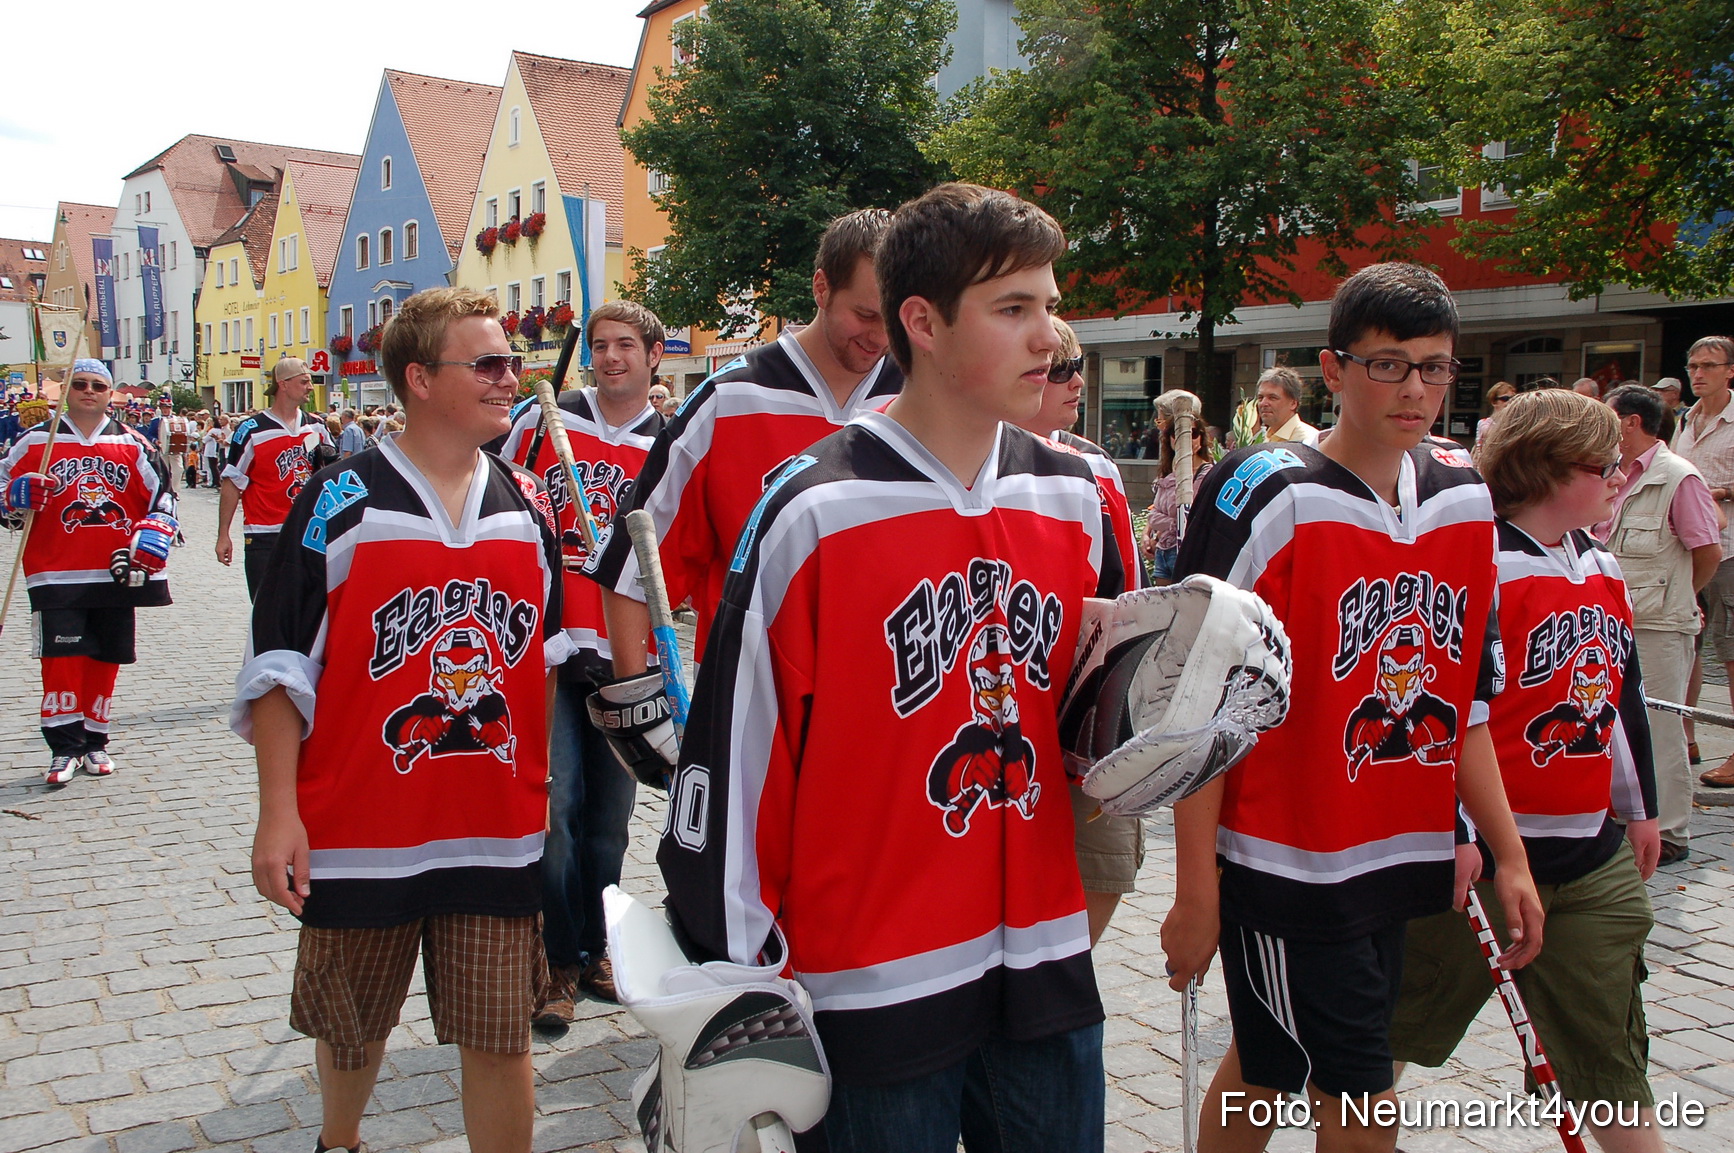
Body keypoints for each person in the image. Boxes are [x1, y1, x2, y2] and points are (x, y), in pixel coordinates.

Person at [658, 182, 1113, 1151]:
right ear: (924, 323)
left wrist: (1171, 714)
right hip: (870, 986)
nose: (1050, 337)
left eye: (1050, 304)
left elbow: (1090, 724)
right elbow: (739, 761)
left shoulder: (1078, 495)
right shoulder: (813, 509)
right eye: (1014, 308)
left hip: (1044, 963)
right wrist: (736, 981)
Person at [1164, 263, 1544, 1152]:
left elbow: (1465, 697)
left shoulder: (1463, 492)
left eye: (1434, 367)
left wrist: (1509, 852)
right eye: (1388, 364)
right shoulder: (1267, 490)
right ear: (1333, 370)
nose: (1415, 388)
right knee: (1365, 1097)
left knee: (1267, 1065)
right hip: (1287, 860)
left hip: (1398, 854)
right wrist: (1195, 892)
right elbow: (1197, 704)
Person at [236, 287, 567, 1153]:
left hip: (494, 832)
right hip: (360, 828)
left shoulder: (529, 503)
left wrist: (541, 787)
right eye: (487, 363)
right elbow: (279, 669)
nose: (510, 378)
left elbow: (543, 662)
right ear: (419, 379)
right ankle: (339, 1140)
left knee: (501, 1034)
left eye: (512, 361)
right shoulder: (339, 499)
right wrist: (279, 812)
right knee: (351, 1028)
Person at [1391, 388, 1663, 1152]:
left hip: (1587, 857)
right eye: (1605, 466)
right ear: (1548, 469)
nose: (1620, 477)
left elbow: (1621, 695)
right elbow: (1445, 712)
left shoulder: (1602, 564)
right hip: (1477, 862)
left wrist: (1640, 807)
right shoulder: (1482, 562)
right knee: (1391, 1031)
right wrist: (1457, 828)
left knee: (1610, 1058)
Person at [587, 209, 903, 767]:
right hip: (750, 715)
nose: (879, 337)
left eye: (895, 317)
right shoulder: (728, 399)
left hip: (891, 710)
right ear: (821, 287)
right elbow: (636, 560)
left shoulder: (922, 397)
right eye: (865, 314)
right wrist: (638, 699)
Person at [499, 300, 666, 1021]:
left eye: (626, 344)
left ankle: (601, 944)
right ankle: (559, 958)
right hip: (549, 644)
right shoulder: (547, 419)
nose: (611, 357)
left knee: (609, 819)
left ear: (654, 355)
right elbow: (500, 500)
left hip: (627, 654)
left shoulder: (671, 441)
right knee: (556, 809)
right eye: (600, 345)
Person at [1004, 316, 1141, 947]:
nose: (1076, 383)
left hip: (1086, 715)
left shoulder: (1094, 467)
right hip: (1009, 715)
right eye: (1060, 370)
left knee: (1103, 865)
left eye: (1077, 368)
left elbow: (1126, 591)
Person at [1, 359, 178, 785]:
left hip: (114, 571)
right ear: (64, 391)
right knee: (61, 662)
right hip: (54, 572)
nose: (88, 391)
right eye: (79, 384)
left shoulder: (133, 443)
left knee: (105, 658)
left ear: (109, 393)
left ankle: (95, 740)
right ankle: (64, 748)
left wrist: (158, 527)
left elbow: (164, 496)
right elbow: (4, 492)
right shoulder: (35, 441)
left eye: (97, 385)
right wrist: (13, 495)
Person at [1599, 384, 1720, 864]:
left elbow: (1707, 550)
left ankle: (1670, 829)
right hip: (1613, 619)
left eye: (1608, 416)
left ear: (1631, 422)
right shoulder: (1612, 472)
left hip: (1659, 625)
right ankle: (1625, 818)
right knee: (1616, 722)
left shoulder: (1677, 476)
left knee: (1660, 727)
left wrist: (1680, 596)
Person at [217, 357, 336, 597]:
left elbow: (332, 477)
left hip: (309, 531)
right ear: (283, 384)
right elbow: (232, 482)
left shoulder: (316, 426)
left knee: (310, 608)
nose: (310, 387)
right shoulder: (252, 430)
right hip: (265, 534)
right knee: (266, 607)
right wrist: (223, 535)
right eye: (304, 382)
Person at [1672, 336, 1734, 788]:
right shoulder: (1686, 420)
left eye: (1709, 365)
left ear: (1730, 371)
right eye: (1694, 365)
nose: (1699, 373)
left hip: (1729, 549)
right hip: (1687, 548)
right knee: (1686, 640)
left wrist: (1721, 492)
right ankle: (1684, 738)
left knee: (1730, 650)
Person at [1142, 420, 1213, 585]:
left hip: (1188, 551)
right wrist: (1153, 532)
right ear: (1170, 439)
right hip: (1163, 550)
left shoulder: (1208, 473)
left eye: (1192, 434)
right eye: (1178, 434)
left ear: (1201, 438)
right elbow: (1154, 514)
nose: (1185, 439)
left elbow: (1189, 513)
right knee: (1162, 600)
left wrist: (1166, 524)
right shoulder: (1168, 473)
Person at [1254, 365, 1318, 445]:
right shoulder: (1267, 437)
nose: (1263, 403)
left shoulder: (1308, 441)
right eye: (1260, 398)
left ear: (1293, 403)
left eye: (1272, 398)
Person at [1473, 380, 1516, 452]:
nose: (1510, 402)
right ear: (1494, 402)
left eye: (1513, 398)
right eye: (1505, 399)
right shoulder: (1485, 423)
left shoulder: (1516, 421)